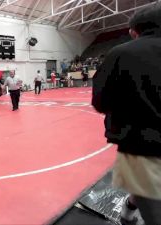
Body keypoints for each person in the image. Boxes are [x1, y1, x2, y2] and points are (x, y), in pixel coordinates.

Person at [92, 4, 161, 225]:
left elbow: (100, 102)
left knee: (153, 208)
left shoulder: (120, 54)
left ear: (133, 31)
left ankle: (128, 214)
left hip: (140, 144)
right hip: (143, 145)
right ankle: (129, 210)